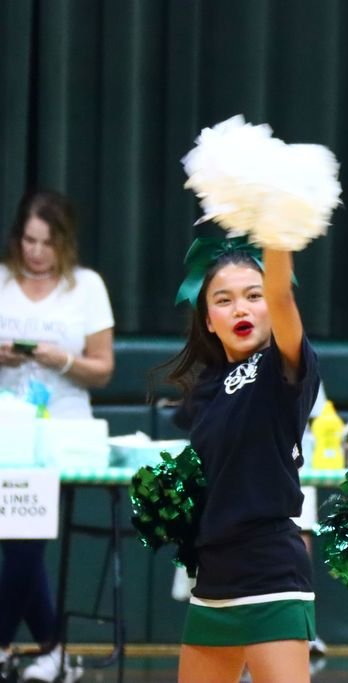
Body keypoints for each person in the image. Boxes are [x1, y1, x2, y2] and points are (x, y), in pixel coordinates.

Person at [166, 235, 320, 683]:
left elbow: (282, 294)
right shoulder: (206, 388)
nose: (241, 309)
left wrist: (274, 225)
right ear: (208, 321)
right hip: (213, 576)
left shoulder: (283, 368)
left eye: (254, 297)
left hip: (270, 570)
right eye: (224, 300)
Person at [0, 189, 114, 683]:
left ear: (63, 242)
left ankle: (4, 643)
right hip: (9, 430)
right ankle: (53, 651)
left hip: (63, 432)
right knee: (19, 538)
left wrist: (59, 358)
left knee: (25, 536)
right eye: (28, 240)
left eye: (46, 242)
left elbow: (103, 369)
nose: (36, 251)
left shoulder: (86, 287)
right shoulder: (2, 281)